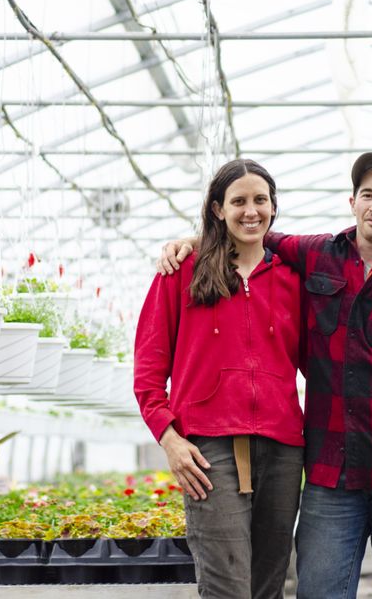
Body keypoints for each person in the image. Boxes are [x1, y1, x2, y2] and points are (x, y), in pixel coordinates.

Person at [159, 152, 372, 599]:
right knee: (318, 590)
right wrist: (193, 239)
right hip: (331, 474)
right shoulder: (319, 254)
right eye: (367, 195)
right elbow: (253, 229)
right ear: (352, 202)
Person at [134, 159, 305, 599]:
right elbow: (148, 368)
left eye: (260, 200)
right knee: (227, 588)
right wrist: (169, 440)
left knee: (268, 588)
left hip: (282, 449)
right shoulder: (182, 273)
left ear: (273, 207)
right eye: (239, 201)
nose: (252, 211)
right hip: (208, 450)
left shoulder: (292, 277)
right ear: (217, 209)